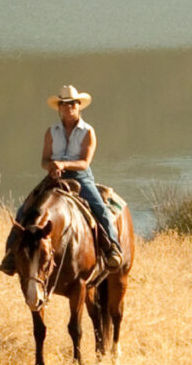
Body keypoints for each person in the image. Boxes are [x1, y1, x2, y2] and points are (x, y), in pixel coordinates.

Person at [23, 83, 120, 269]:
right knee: (25, 208)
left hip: (80, 176)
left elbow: (84, 163)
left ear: (79, 106)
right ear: (59, 108)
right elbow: (44, 160)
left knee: (100, 208)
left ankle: (112, 248)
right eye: (64, 104)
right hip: (55, 175)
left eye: (73, 103)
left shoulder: (88, 131)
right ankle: (12, 253)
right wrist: (51, 167)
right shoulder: (51, 131)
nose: (69, 107)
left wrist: (64, 164)